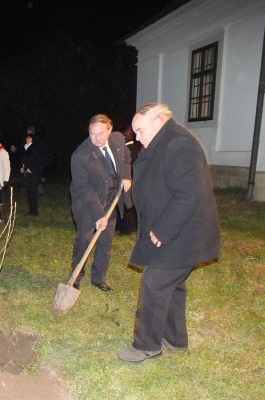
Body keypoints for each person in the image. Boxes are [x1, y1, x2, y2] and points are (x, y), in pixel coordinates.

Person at [117, 103, 220, 363]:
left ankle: (146, 345)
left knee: (154, 284)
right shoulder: (163, 143)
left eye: (139, 130)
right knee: (172, 287)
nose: (136, 137)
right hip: (176, 232)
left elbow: (189, 195)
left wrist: (162, 229)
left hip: (182, 233)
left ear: (159, 120)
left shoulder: (180, 145)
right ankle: (175, 340)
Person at [70, 114, 132, 291]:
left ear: (110, 130)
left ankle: (98, 278)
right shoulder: (80, 156)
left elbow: (127, 158)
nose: (96, 138)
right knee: (85, 240)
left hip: (112, 200)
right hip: (87, 204)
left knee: (105, 241)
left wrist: (126, 176)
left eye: (101, 134)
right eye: (92, 133)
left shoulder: (118, 139)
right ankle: (76, 277)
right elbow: (83, 189)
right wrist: (98, 215)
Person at [20, 132, 42, 215]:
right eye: (27, 138)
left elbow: (38, 160)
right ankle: (31, 210)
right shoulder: (25, 148)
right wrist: (22, 167)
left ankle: (34, 211)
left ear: (32, 139)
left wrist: (31, 169)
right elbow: (24, 160)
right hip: (27, 173)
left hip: (33, 174)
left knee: (33, 193)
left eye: (29, 138)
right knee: (29, 192)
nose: (27, 139)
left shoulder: (34, 147)